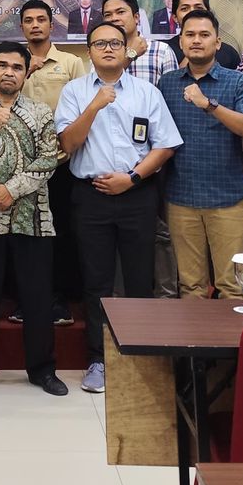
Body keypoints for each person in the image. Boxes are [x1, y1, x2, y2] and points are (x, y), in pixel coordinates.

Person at [55, 21, 180, 394]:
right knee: (96, 281)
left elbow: (165, 145)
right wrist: (94, 106)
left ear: (127, 50)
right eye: (100, 44)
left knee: (140, 277)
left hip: (137, 194)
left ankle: (139, 355)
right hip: (89, 195)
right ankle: (98, 359)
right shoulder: (74, 92)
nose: (108, 48)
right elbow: (68, 144)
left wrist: (133, 178)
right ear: (88, 51)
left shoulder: (146, 92)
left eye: (115, 43)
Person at [0, 42, 67, 397]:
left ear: (25, 73)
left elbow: (49, 159)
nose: (9, 72)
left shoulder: (40, 112)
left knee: (37, 298)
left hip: (32, 218)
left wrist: (12, 189)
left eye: (17, 67)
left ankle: (42, 370)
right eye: (2, 65)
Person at [157, 9, 243, 299]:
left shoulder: (238, 81)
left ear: (217, 42)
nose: (196, 40)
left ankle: (233, 331)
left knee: (232, 287)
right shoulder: (167, 83)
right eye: (190, 35)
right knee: (190, 287)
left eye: (204, 35)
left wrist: (208, 104)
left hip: (227, 198)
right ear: (181, 41)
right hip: (180, 198)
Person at [104, 0, 177, 297]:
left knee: (159, 230)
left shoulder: (160, 51)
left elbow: (172, 106)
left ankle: (165, 296)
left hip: (154, 158)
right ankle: (120, 302)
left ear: (136, 17)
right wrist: (128, 54)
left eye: (120, 12)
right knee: (118, 234)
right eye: (107, 15)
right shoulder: (103, 54)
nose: (114, 19)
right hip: (114, 160)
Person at [18, 0, 85, 324]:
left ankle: (59, 300)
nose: (35, 25)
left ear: (50, 24)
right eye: (29, 20)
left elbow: (82, 108)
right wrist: (24, 71)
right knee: (24, 235)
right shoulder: (12, 62)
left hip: (59, 164)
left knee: (59, 233)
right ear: (21, 27)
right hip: (19, 167)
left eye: (41, 19)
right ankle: (26, 299)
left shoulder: (71, 62)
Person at [167, 0, 243, 69]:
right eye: (184, 9)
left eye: (199, 8)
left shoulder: (228, 53)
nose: (192, 12)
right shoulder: (165, 50)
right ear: (175, 17)